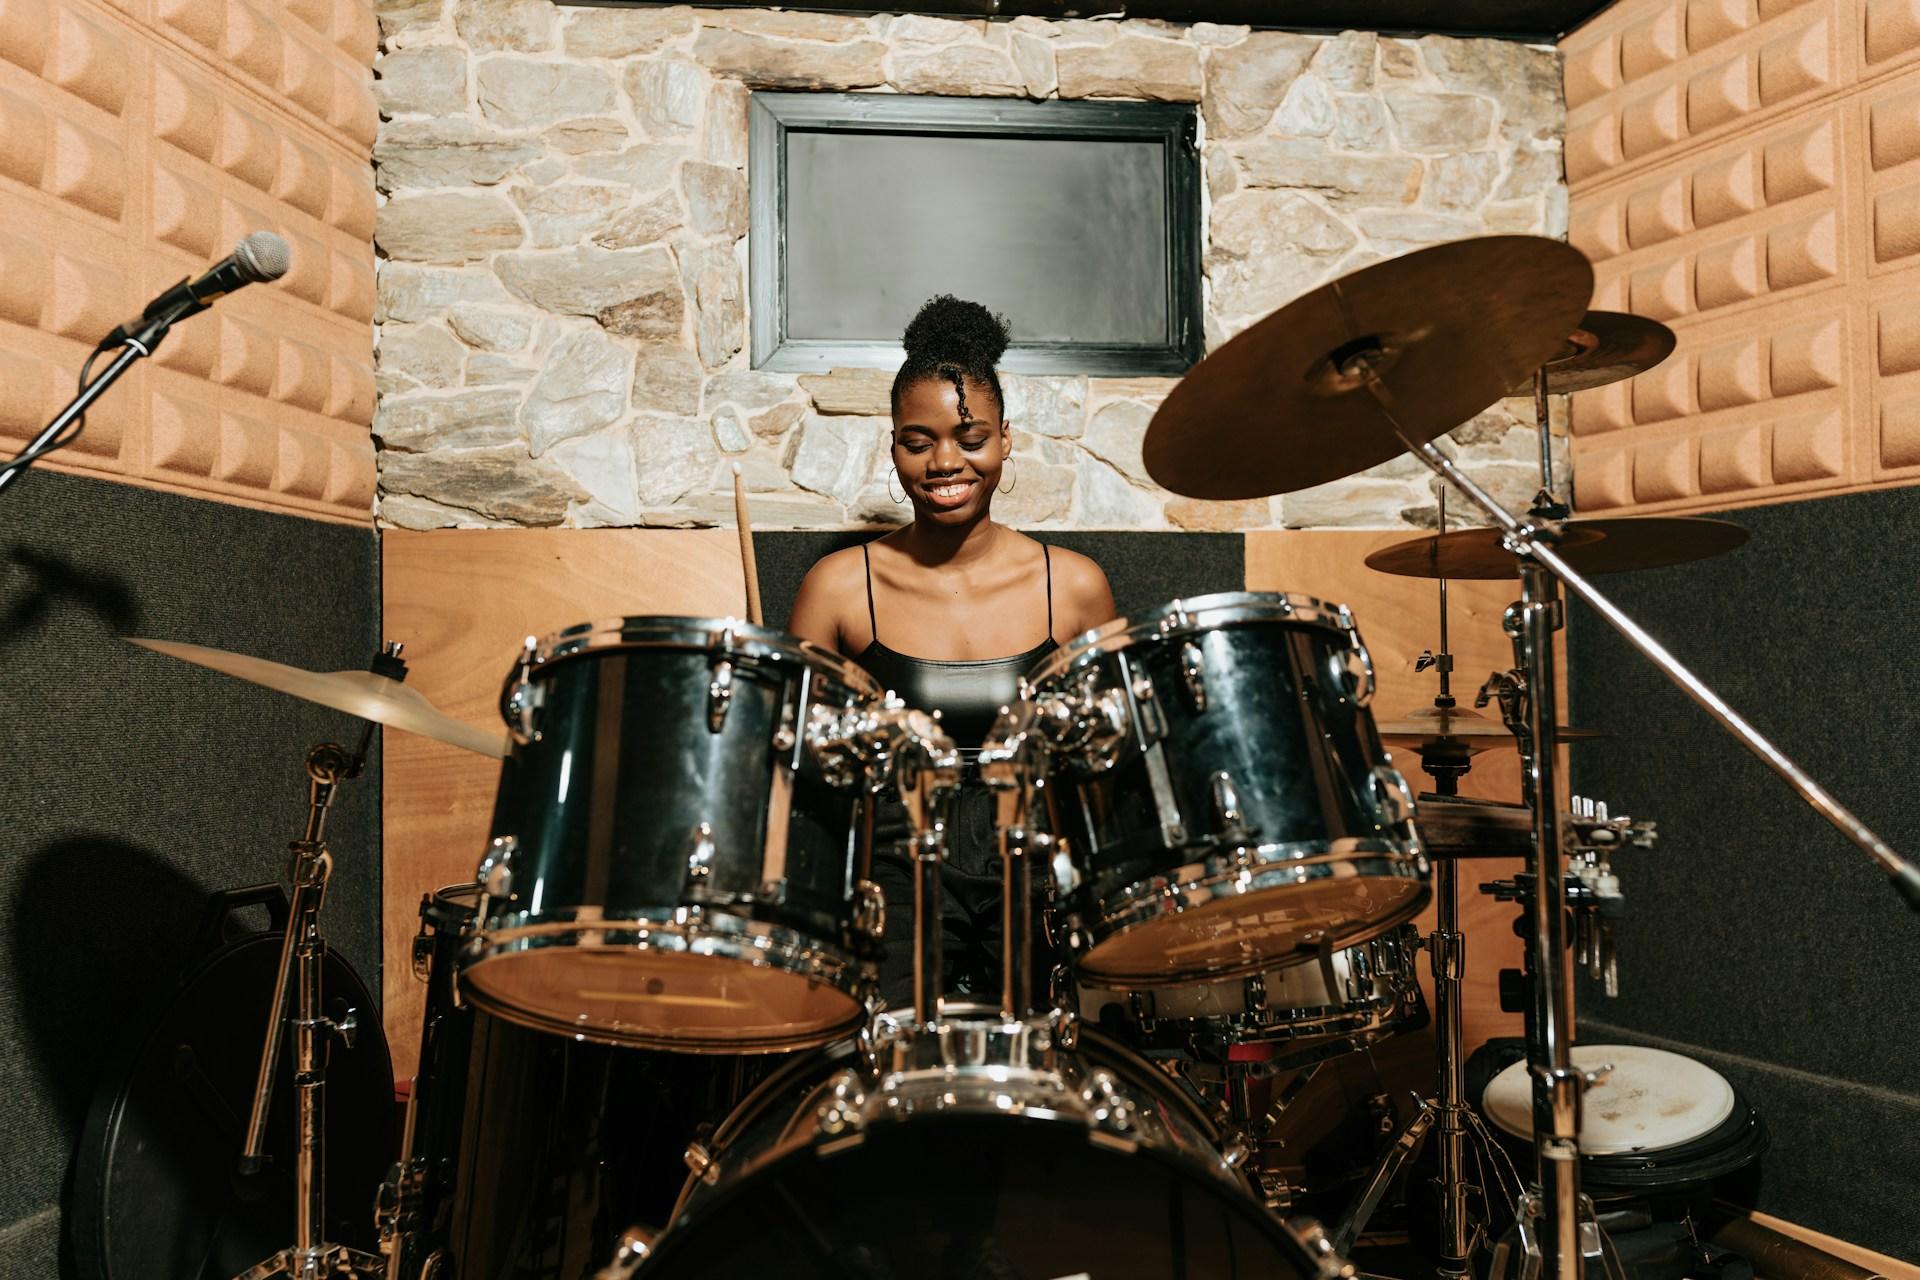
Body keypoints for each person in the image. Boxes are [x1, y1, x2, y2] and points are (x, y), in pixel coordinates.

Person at [788, 295, 1116, 1008]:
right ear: (893, 446)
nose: (945, 462)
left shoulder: (1076, 585)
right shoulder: (840, 588)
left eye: (970, 438)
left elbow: (1107, 768)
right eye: (918, 440)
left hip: (1031, 873)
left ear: (1006, 441)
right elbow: (799, 770)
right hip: (894, 873)